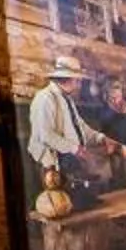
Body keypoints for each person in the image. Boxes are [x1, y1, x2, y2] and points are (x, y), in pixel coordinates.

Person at [23, 59, 97, 202]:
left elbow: (80, 126)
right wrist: (76, 149)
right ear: (67, 79)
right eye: (77, 79)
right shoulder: (45, 98)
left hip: (66, 160)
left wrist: (100, 138)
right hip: (50, 162)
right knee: (57, 205)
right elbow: (46, 135)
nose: (79, 83)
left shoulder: (66, 99)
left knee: (76, 202)